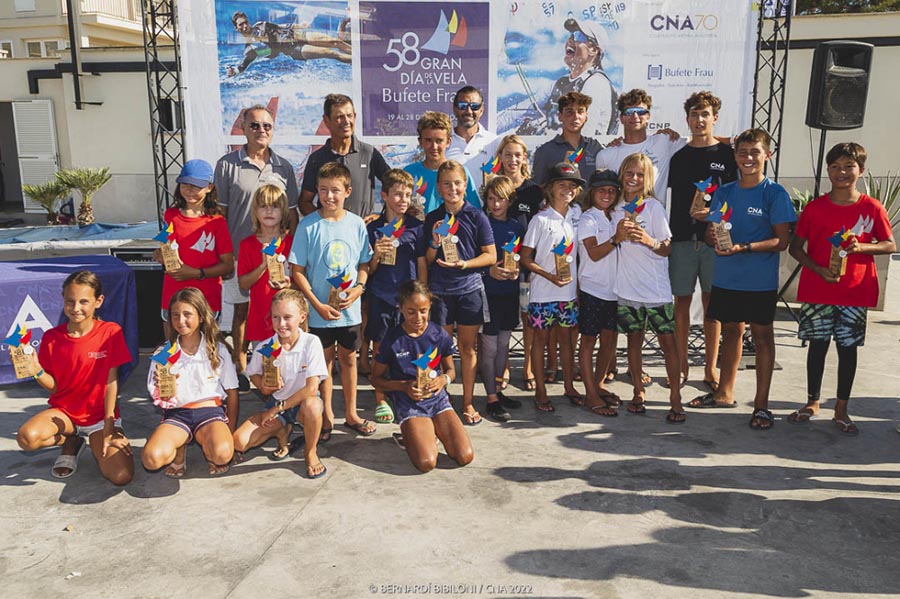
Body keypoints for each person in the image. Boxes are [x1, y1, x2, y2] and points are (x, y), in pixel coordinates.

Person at [688, 129, 796, 430]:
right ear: (735, 155)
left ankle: (761, 406)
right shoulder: (723, 192)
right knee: (731, 333)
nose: (748, 158)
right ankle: (724, 392)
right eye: (742, 152)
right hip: (726, 277)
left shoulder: (774, 194)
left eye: (754, 152)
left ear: (767, 156)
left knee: (761, 339)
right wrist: (712, 237)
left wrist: (744, 247)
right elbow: (713, 236)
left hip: (759, 281)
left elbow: (782, 241)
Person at [787, 142, 895, 434]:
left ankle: (842, 408)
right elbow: (795, 248)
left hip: (854, 292)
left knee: (847, 350)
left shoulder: (872, 208)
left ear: (861, 170)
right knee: (817, 347)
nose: (841, 172)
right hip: (818, 289)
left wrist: (861, 247)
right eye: (835, 167)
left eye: (849, 166)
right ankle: (812, 401)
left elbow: (889, 244)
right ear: (828, 171)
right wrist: (818, 268)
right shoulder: (814, 208)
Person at [16, 271, 133, 485]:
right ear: (63, 300)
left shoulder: (110, 332)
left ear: (98, 301)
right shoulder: (51, 337)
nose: (76, 308)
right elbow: (54, 388)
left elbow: (111, 382)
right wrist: (36, 371)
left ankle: (92, 439)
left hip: (100, 418)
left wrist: (109, 425)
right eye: (70, 301)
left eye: (84, 301)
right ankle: (71, 440)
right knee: (27, 438)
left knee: (121, 476)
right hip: (65, 415)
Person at [215, 104, 299, 391]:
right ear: (243, 127)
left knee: (276, 308)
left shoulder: (284, 166)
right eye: (255, 125)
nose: (261, 131)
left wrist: (292, 252)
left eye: (267, 126)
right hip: (242, 252)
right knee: (241, 312)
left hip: (278, 252)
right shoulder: (227, 164)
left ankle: (278, 366)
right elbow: (220, 214)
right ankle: (241, 365)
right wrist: (224, 254)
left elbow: (293, 213)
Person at [289, 162, 374, 438]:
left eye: (335, 190)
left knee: (349, 361)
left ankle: (351, 414)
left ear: (347, 191)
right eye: (323, 190)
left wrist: (359, 289)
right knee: (323, 365)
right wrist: (316, 304)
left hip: (349, 313)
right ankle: (326, 416)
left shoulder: (356, 224)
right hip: (318, 313)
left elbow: (364, 263)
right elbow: (298, 271)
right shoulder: (308, 226)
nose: (329, 196)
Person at [668, 91, 738, 392]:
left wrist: (714, 217)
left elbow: (735, 196)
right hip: (683, 239)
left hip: (716, 241)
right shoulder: (679, 157)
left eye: (705, 114)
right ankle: (682, 363)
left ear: (715, 118)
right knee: (681, 303)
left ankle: (710, 368)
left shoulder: (727, 155)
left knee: (713, 305)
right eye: (694, 115)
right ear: (687, 119)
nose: (699, 120)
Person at [370, 280, 474, 473]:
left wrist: (443, 380)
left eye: (423, 311)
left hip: (437, 400)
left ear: (429, 308)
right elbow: (375, 379)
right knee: (426, 463)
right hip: (409, 403)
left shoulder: (439, 334)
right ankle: (412, 433)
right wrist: (404, 386)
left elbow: (451, 370)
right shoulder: (392, 339)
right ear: (401, 308)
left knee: (464, 456)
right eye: (411, 311)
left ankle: (429, 431)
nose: (418, 317)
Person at [421, 160, 496, 425]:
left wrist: (465, 264)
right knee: (441, 350)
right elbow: (428, 259)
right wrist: (434, 241)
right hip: (440, 293)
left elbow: (491, 256)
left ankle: (467, 402)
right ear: (438, 188)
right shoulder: (432, 218)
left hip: (469, 291)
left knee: (467, 348)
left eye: (457, 183)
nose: (452, 188)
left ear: (465, 185)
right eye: (446, 184)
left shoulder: (477, 216)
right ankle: (442, 401)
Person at [611, 154, 683, 422]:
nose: (633, 178)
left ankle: (675, 396)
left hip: (656, 291)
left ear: (648, 178)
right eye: (629, 173)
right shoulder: (616, 208)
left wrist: (649, 240)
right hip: (627, 289)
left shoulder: (653, 208)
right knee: (633, 342)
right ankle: (638, 390)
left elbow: (667, 248)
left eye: (640, 174)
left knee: (668, 345)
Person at [143, 287, 239, 477]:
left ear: (201, 316)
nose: (181, 321)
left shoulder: (217, 349)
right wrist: (162, 387)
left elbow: (233, 393)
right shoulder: (163, 353)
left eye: (187, 314)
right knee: (151, 459)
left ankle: (211, 452)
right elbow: (159, 396)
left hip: (210, 412)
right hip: (177, 414)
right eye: (175, 315)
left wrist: (231, 434)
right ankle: (179, 449)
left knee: (222, 454)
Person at [234, 289, 330, 477]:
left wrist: (275, 409)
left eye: (288, 317)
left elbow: (312, 388)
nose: (281, 323)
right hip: (277, 405)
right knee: (239, 442)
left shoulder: (311, 342)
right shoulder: (265, 346)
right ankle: (282, 430)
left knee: (313, 405)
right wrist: (263, 384)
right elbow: (253, 373)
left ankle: (311, 452)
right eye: (276, 317)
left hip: (300, 405)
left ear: (302, 317)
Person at [520, 163, 584, 412]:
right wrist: (548, 276)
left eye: (572, 185)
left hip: (568, 294)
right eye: (562, 185)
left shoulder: (578, 215)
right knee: (540, 342)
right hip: (542, 294)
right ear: (549, 189)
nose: (567, 189)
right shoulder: (540, 219)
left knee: (567, 342)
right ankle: (540, 391)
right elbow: (525, 258)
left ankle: (569, 386)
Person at [365, 169, 425, 424]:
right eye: (398, 194)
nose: (403, 200)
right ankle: (380, 397)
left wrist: (424, 293)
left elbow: (421, 263)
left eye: (408, 195)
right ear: (385, 195)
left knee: (410, 347)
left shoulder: (417, 228)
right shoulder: (374, 228)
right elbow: (368, 269)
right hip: (380, 295)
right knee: (380, 348)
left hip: (408, 299)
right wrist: (376, 254)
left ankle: (407, 391)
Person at [158, 159, 234, 336]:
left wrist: (196, 273)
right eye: (185, 184)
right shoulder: (170, 215)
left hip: (206, 299)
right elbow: (164, 245)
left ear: (209, 188)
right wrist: (160, 254)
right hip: (172, 295)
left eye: (196, 186)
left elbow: (228, 265)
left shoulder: (217, 221)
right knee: (173, 349)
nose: (190, 190)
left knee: (207, 352)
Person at [492, 134, 543, 390]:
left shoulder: (533, 190)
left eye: (517, 155)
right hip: (499, 267)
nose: (513, 159)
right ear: (500, 157)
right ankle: (504, 366)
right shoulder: (494, 186)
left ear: (525, 158)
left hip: (525, 264)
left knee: (527, 316)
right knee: (504, 317)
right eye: (507, 154)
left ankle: (528, 367)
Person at [298, 94, 390, 219]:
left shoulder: (369, 153)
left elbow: (395, 187)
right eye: (340, 117)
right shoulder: (317, 159)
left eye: (349, 115)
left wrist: (380, 217)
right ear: (326, 120)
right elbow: (304, 202)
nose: (346, 121)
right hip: (330, 235)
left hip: (363, 233)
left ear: (355, 116)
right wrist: (324, 222)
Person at [577, 169, 622, 417]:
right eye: (602, 190)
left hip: (615, 291)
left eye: (612, 190)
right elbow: (593, 252)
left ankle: (599, 384)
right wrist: (617, 238)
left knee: (609, 341)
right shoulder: (588, 219)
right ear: (592, 193)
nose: (607, 194)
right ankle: (590, 394)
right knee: (588, 342)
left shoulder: (616, 216)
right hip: (592, 288)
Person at [479, 176, 525, 422]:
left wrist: (518, 271)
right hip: (487, 295)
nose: (496, 204)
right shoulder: (481, 223)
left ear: (510, 201)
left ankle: (498, 390)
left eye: (502, 200)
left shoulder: (517, 227)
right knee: (489, 347)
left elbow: (521, 257)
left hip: (509, 294)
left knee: (504, 344)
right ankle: (490, 398)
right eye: (492, 199)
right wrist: (489, 271)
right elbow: (470, 260)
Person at [595, 89, 684, 205]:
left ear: (648, 116)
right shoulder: (605, 155)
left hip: (654, 219)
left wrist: (716, 139)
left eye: (640, 112)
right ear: (621, 118)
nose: (635, 116)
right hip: (619, 221)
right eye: (629, 111)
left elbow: (701, 142)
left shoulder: (664, 142)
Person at [540, 17, 618, 137]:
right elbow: (515, 115)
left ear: (593, 50)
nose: (570, 40)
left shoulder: (596, 83)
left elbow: (583, 136)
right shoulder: (561, 83)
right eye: (570, 35)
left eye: (577, 36)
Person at [237, 184, 293, 345]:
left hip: (288, 319)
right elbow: (243, 284)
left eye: (275, 207)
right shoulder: (247, 245)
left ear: (283, 212)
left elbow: (301, 281)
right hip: (260, 319)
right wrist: (263, 265)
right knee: (262, 367)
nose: (269, 211)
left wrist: (289, 285)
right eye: (263, 207)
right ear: (255, 211)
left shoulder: (292, 242)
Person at [226, 11, 351, 77]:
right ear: (236, 28)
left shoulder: (260, 24)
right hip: (294, 49)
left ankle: (358, 54)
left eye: (245, 22)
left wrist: (299, 26)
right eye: (240, 24)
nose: (244, 26)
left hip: (295, 35)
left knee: (335, 42)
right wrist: (234, 72)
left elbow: (280, 27)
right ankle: (356, 61)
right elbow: (243, 66)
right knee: (331, 53)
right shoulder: (250, 49)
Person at [405, 111, 481, 215]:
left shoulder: (460, 173)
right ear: (420, 141)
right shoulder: (409, 173)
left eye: (439, 141)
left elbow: (475, 212)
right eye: (428, 140)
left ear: (448, 142)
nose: (434, 146)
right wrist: (405, 213)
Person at [532, 91, 603, 185]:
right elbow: (538, 186)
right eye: (570, 112)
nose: (575, 117)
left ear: (586, 117)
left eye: (580, 111)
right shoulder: (545, 151)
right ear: (560, 116)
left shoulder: (594, 147)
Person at [446, 86, 498, 193]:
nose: (469, 111)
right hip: (450, 209)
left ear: (482, 110)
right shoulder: (443, 141)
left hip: (485, 209)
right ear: (455, 109)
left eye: (474, 106)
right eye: (463, 106)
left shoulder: (494, 142)